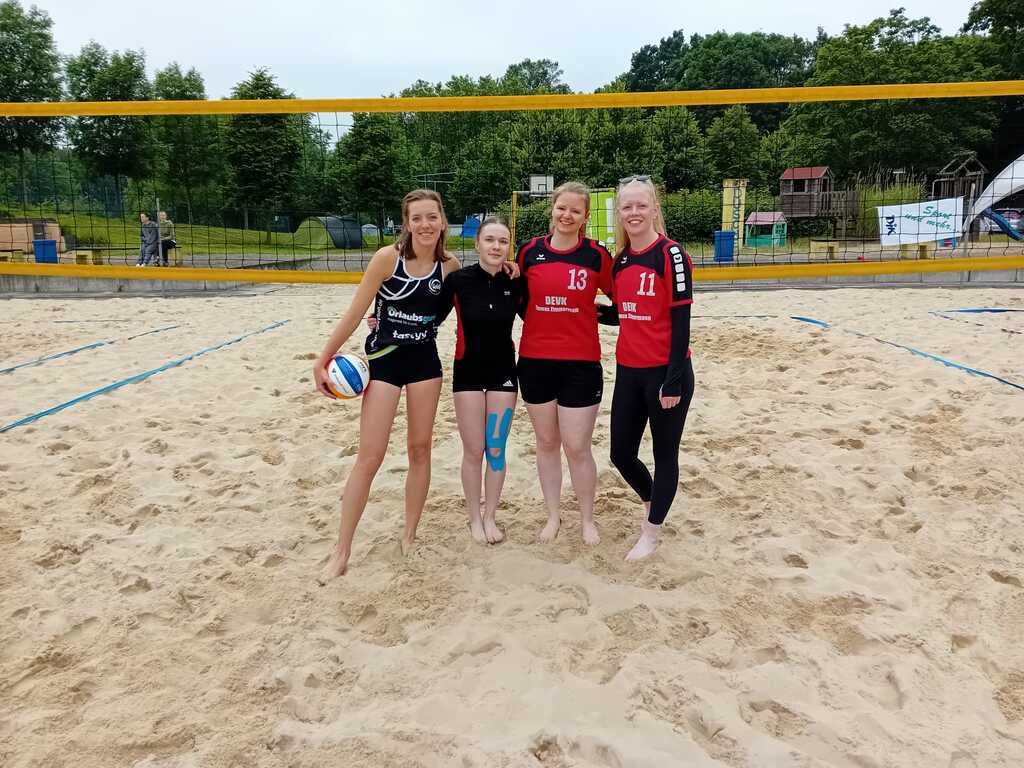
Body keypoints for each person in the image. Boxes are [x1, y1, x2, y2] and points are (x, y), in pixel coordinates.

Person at [314, 189, 459, 581]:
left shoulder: (449, 267)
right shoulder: (386, 259)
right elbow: (355, 312)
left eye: (432, 217)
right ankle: (341, 551)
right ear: (406, 223)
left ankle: (409, 535)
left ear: (442, 221)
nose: (425, 225)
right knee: (370, 456)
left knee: (420, 449)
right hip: (384, 363)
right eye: (417, 218)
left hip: (425, 363)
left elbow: (447, 314)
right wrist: (323, 359)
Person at [599, 176, 696, 561]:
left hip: (665, 372)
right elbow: (625, 313)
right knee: (620, 454)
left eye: (641, 205)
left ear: (655, 209)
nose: (634, 212)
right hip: (629, 370)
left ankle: (651, 532)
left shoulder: (671, 255)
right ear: (620, 213)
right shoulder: (622, 259)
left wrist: (673, 381)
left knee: (664, 453)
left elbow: (682, 323)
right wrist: (591, 311)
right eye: (627, 206)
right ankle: (654, 502)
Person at [516, 181, 613, 545]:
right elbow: (517, 299)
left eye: (575, 210)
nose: (567, 215)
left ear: (585, 216)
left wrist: (597, 315)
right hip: (535, 360)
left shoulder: (596, 255)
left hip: (581, 363)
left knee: (576, 446)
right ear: (552, 209)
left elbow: (622, 300)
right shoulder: (529, 252)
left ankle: (587, 519)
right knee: (546, 442)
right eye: (561, 208)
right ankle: (553, 515)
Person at [434, 218, 522, 544]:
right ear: (477, 244)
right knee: (473, 450)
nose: (496, 246)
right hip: (468, 373)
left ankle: (490, 517)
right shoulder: (458, 281)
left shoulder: (516, 282)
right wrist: (382, 318)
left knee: (495, 449)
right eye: (490, 240)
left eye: (503, 241)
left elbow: (541, 316)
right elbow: (430, 318)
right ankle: (474, 517)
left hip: (503, 373)